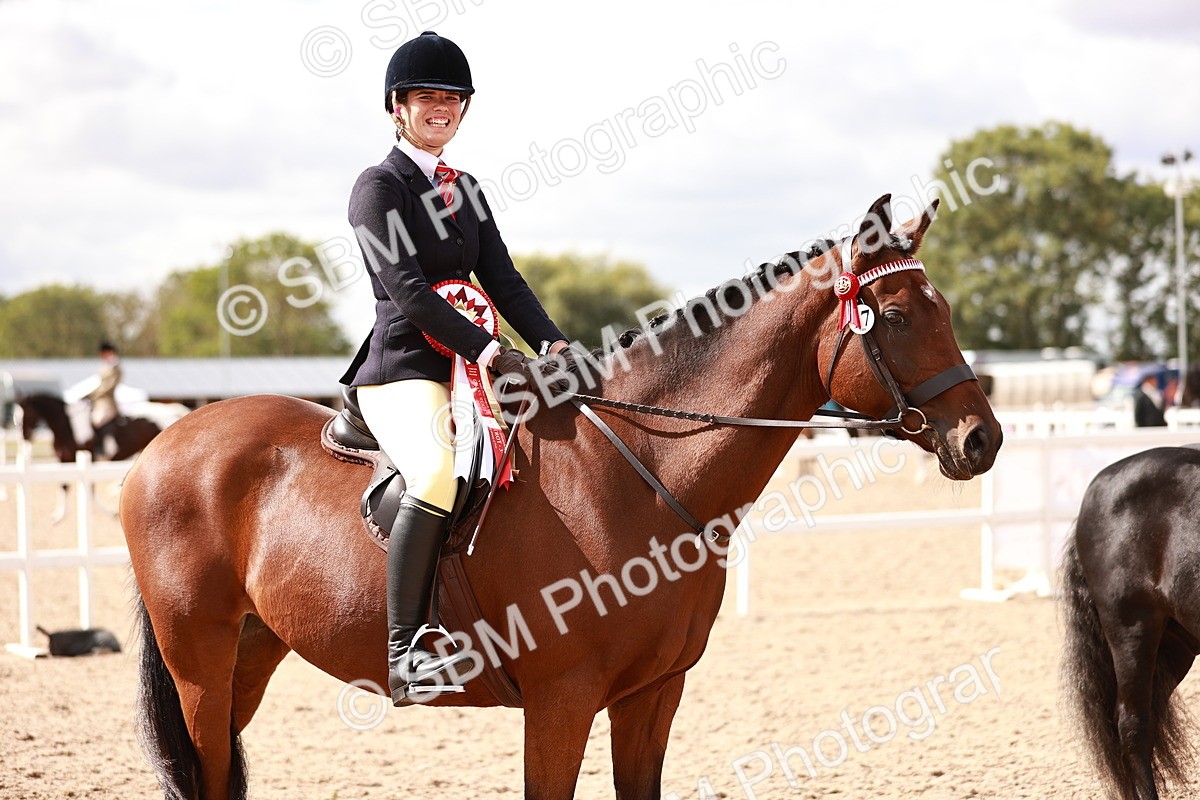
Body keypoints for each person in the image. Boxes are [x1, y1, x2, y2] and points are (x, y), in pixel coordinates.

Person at [340, 31, 573, 706]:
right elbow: (407, 291)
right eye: (427, 97)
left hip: (470, 364)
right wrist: (485, 348)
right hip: (404, 367)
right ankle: (404, 650)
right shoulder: (378, 187)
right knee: (438, 471)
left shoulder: (464, 188)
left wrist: (553, 343)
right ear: (398, 107)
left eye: (452, 98)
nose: (441, 108)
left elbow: (502, 277)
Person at [86, 342, 123, 458]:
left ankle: (101, 447)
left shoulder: (115, 368)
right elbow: (99, 385)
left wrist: (94, 395)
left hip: (107, 403)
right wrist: (88, 395)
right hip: (98, 402)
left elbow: (108, 387)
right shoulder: (105, 367)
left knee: (97, 420)